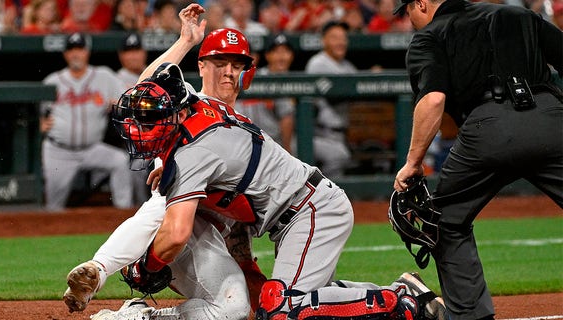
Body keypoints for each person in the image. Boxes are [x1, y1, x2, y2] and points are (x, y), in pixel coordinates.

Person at [103, 55, 448, 319]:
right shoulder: (201, 108)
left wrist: (146, 266)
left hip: (310, 209)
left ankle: (401, 304)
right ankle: (396, 290)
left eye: (151, 119)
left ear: (177, 112)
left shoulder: (193, 151)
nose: (140, 128)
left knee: (282, 308)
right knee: (300, 298)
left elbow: (176, 233)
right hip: (299, 210)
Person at [62, 5, 269, 318]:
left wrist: (247, 268)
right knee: (164, 201)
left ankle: (135, 315)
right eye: (219, 62)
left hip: (205, 238)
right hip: (169, 225)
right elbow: (143, 85)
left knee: (235, 308)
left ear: (247, 73)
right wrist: (185, 41)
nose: (227, 71)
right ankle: (98, 269)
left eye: (236, 64)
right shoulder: (188, 102)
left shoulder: (249, 131)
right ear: (201, 66)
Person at [392, 0, 563, 319]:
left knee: (441, 220)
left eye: (408, 12)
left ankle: (472, 315)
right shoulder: (518, 14)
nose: (410, 20)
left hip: (487, 130)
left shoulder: (428, 36)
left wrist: (413, 162)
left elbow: (433, 100)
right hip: (551, 120)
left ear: (421, 4)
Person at [40, 32, 134, 211]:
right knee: (53, 208)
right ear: (65, 54)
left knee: (120, 162)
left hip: (92, 148)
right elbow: (36, 110)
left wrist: (119, 103)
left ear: (87, 52)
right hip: (59, 151)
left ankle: (124, 215)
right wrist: (39, 123)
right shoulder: (52, 81)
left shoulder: (104, 77)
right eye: (71, 50)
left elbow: (127, 99)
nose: (76, 54)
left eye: (80, 49)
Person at [304, 20, 354, 178]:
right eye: (334, 37)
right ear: (323, 40)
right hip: (318, 134)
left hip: (340, 135)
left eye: (343, 38)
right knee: (339, 156)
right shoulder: (318, 63)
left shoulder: (346, 65)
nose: (340, 42)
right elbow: (340, 92)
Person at [235, 33, 295, 153]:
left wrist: (287, 151)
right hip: (243, 142)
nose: (281, 57)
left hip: (273, 143)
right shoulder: (252, 78)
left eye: (285, 51)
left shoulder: (271, 79)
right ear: (267, 55)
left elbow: (286, 118)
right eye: (276, 52)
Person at [115, 32, 151, 205]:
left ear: (144, 52)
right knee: (137, 165)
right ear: (121, 56)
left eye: (137, 50)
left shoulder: (157, 73)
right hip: (132, 145)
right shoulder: (114, 80)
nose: (134, 56)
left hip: (161, 138)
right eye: (129, 51)